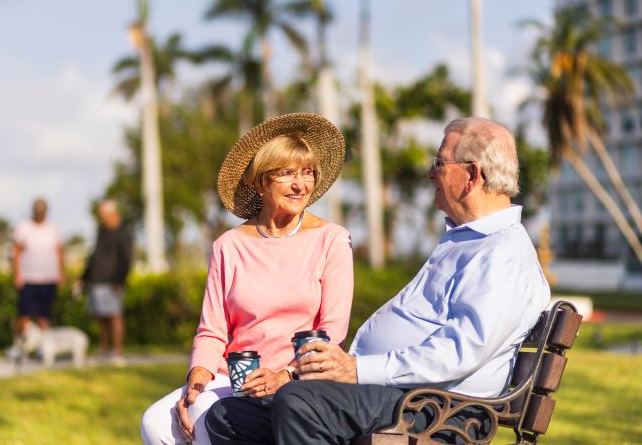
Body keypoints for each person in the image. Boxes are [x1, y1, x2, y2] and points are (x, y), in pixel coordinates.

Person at [206, 117, 552, 444]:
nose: (431, 173)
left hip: (438, 408)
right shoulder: (469, 241)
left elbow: (458, 353)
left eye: (439, 162)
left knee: (299, 403)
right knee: (228, 415)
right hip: (403, 395)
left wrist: (357, 369)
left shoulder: (503, 255)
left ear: (472, 175)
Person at [140, 113, 354, 445]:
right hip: (236, 379)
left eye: (307, 172)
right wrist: (196, 382)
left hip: (297, 379)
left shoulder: (332, 239)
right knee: (155, 423)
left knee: (202, 419)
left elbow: (333, 331)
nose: (301, 185)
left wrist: (283, 376)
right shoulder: (229, 245)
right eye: (286, 174)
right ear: (258, 181)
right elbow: (212, 331)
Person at [79, 199, 133, 363]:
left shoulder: (123, 233)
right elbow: (93, 256)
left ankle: (117, 352)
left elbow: (126, 259)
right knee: (101, 318)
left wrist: (119, 280)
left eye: (103, 215)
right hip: (97, 281)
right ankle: (104, 350)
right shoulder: (101, 231)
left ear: (113, 214)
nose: (101, 217)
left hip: (112, 282)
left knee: (114, 316)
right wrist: (84, 277)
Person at [12, 197, 65, 337]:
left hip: (48, 278)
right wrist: (17, 274)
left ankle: (44, 347)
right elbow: (16, 252)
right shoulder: (23, 227)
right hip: (28, 278)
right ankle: (20, 347)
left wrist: (61, 274)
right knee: (24, 314)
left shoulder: (53, 228)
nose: (40, 213)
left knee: (44, 316)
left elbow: (59, 252)